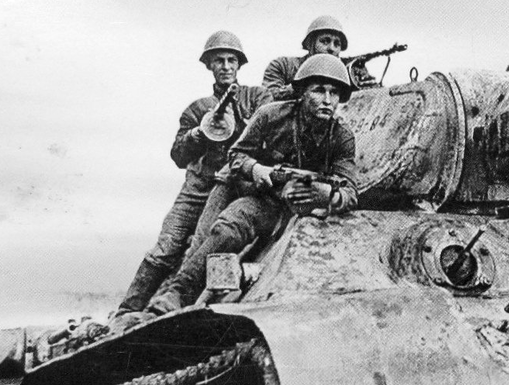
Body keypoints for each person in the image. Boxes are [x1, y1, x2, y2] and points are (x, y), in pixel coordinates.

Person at [145, 54, 359, 316]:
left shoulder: (341, 136)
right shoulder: (270, 116)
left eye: (334, 93)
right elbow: (236, 155)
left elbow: (350, 192)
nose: (327, 100)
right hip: (266, 200)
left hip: (304, 210)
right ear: (302, 92)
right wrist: (256, 169)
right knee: (227, 227)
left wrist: (326, 194)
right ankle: (178, 294)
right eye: (319, 90)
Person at [111, 31, 271, 319]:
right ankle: (127, 311)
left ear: (239, 64)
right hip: (198, 188)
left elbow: (270, 133)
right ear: (209, 65)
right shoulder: (196, 109)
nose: (225, 66)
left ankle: (180, 306)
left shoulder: (257, 97)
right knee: (166, 248)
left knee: (204, 243)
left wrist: (241, 120)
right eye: (219, 60)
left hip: (237, 185)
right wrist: (199, 134)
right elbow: (178, 156)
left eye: (231, 60)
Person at [261, 15, 349, 98]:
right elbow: (267, 97)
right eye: (325, 41)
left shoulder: (345, 73)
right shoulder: (282, 66)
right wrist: (301, 86)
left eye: (337, 44)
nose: (331, 48)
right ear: (310, 44)